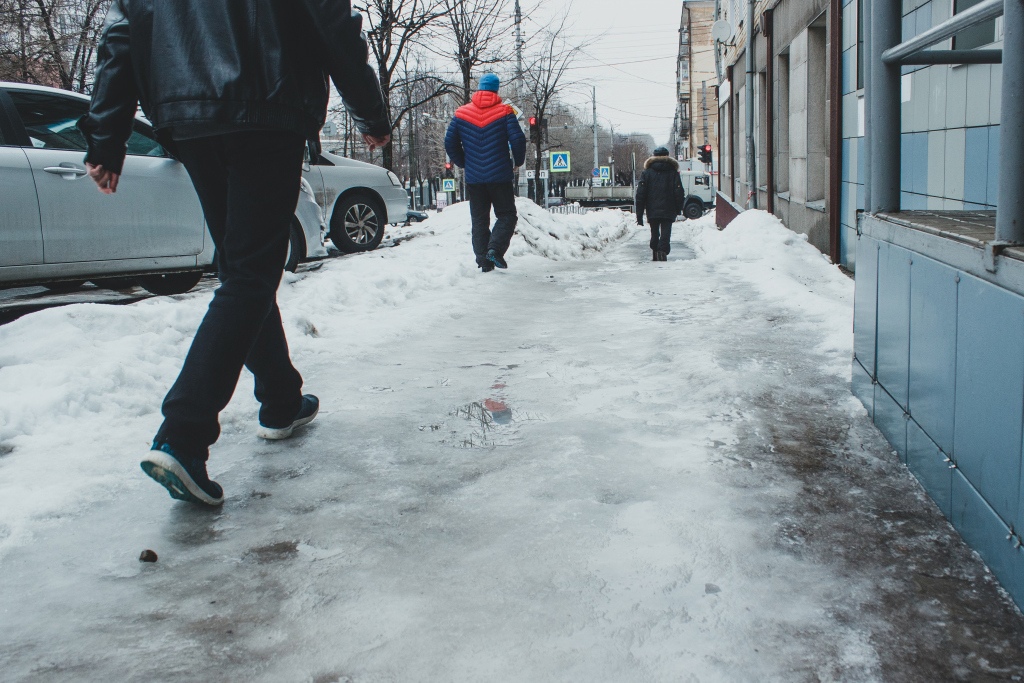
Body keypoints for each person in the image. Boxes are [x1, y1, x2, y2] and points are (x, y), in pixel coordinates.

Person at [79, 0, 391, 506]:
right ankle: (183, 434)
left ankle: (280, 399)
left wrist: (107, 134)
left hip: (186, 114)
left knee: (242, 268)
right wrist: (370, 112)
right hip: (268, 104)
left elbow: (122, 35)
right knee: (251, 274)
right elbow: (332, 23)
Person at [444, 74, 527, 272]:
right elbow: (518, 140)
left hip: (475, 178)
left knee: (479, 220)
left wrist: (464, 162)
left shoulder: (461, 113)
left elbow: (449, 142)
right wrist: (518, 161)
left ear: (479, 90)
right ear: (496, 91)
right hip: (500, 176)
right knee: (507, 215)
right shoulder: (505, 112)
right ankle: (495, 250)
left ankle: (484, 262)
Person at [635, 147, 685, 262]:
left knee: (654, 231)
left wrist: (639, 215)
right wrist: (678, 209)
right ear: (667, 156)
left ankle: (654, 250)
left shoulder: (646, 173)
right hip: (669, 208)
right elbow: (679, 192)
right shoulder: (673, 172)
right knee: (666, 232)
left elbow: (640, 194)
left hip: (652, 209)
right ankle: (662, 251)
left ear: (653, 157)